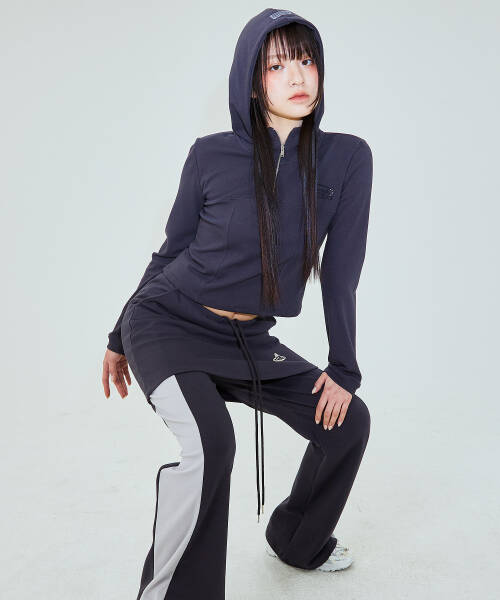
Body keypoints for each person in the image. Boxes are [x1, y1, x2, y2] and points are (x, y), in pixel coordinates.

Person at [102, 8, 373, 600]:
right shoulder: (210, 155)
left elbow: (341, 271)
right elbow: (171, 251)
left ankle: (298, 539)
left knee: (348, 422)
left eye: (306, 60)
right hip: (167, 323)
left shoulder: (348, 157)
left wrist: (343, 368)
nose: (296, 75)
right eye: (276, 66)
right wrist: (119, 334)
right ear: (252, 81)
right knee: (212, 445)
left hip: (248, 341)